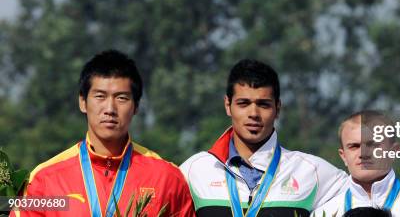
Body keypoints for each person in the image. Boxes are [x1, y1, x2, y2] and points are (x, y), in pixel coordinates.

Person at [11, 50, 195, 217]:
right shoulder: (46, 178)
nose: (110, 109)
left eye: (122, 98)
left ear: (136, 106)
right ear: (83, 102)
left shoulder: (166, 177)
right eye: (100, 96)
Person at [180, 59, 347, 216]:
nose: (253, 114)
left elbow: (366, 196)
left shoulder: (312, 171)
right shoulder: (194, 170)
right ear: (228, 105)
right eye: (243, 103)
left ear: (278, 108)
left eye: (263, 104)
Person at [311, 111, 400, 217]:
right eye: (354, 146)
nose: (363, 153)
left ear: (394, 151)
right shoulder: (324, 214)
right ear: (343, 156)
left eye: (373, 144)